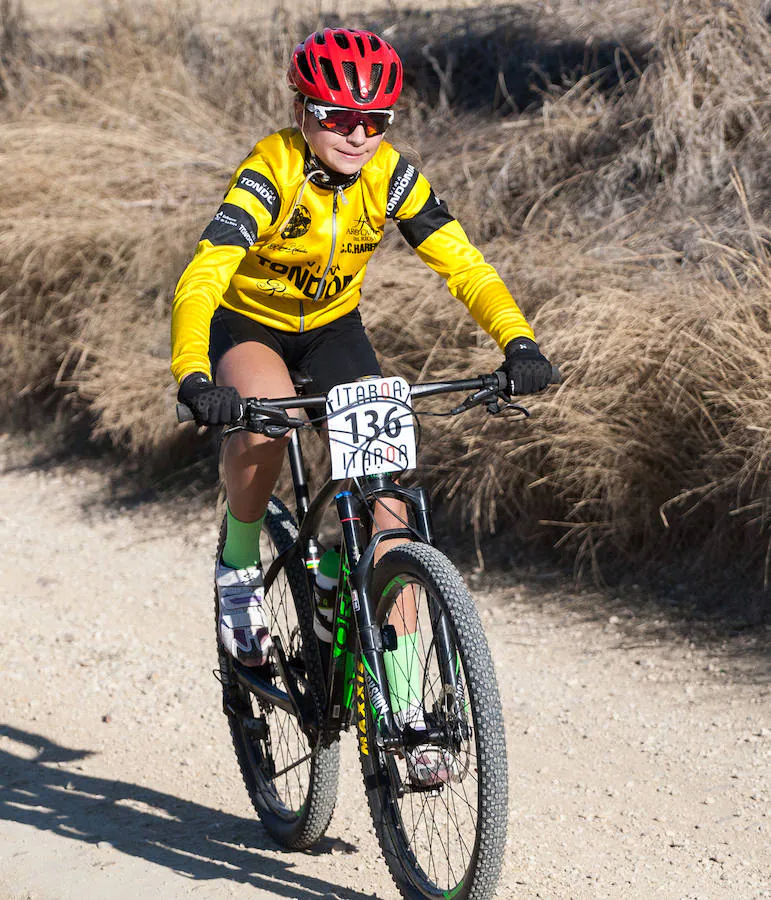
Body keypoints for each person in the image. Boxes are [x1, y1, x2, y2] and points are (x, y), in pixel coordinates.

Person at [171, 28, 553, 782]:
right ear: (302, 109)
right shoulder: (270, 169)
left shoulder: (390, 175)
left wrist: (517, 342)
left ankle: (404, 705)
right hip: (249, 327)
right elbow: (203, 275)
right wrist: (193, 376)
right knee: (269, 413)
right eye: (338, 115)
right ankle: (240, 565)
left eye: (375, 119)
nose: (356, 133)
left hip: (333, 334)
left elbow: (462, 264)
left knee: (390, 510)